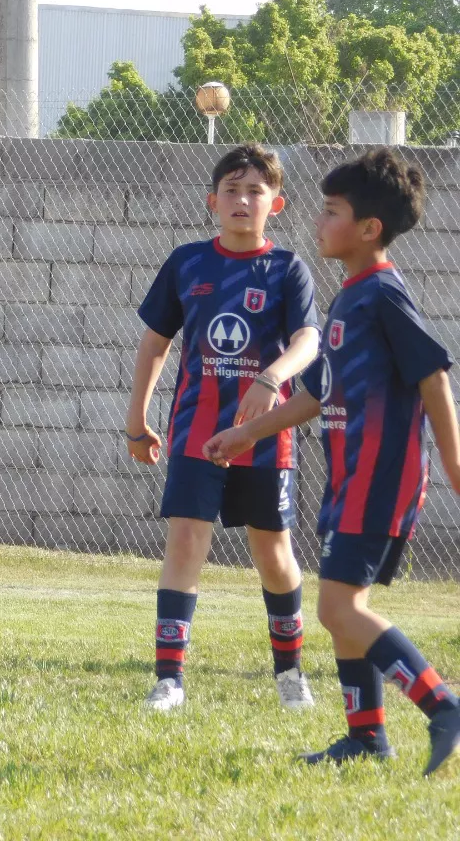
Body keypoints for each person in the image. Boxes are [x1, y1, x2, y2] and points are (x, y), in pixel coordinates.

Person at [206, 148, 460, 776]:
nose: (318, 222)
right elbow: (317, 395)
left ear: (369, 228)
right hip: (351, 480)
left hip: (380, 477)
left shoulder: (383, 295)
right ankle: (365, 737)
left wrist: (457, 472)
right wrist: (244, 435)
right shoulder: (349, 298)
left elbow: (433, 377)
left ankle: (443, 706)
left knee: (337, 609)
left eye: (331, 211)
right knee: (343, 605)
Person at [126, 144, 321, 711]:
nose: (242, 200)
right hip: (196, 435)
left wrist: (271, 377)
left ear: (276, 204)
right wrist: (137, 420)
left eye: (255, 190)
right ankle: (169, 680)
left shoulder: (288, 270)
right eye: (231, 190)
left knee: (273, 553)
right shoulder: (187, 263)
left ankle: (290, 675)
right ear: (212, 201)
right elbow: (155, 344)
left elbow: (308, 340)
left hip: (266, 439)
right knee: (186, 541)